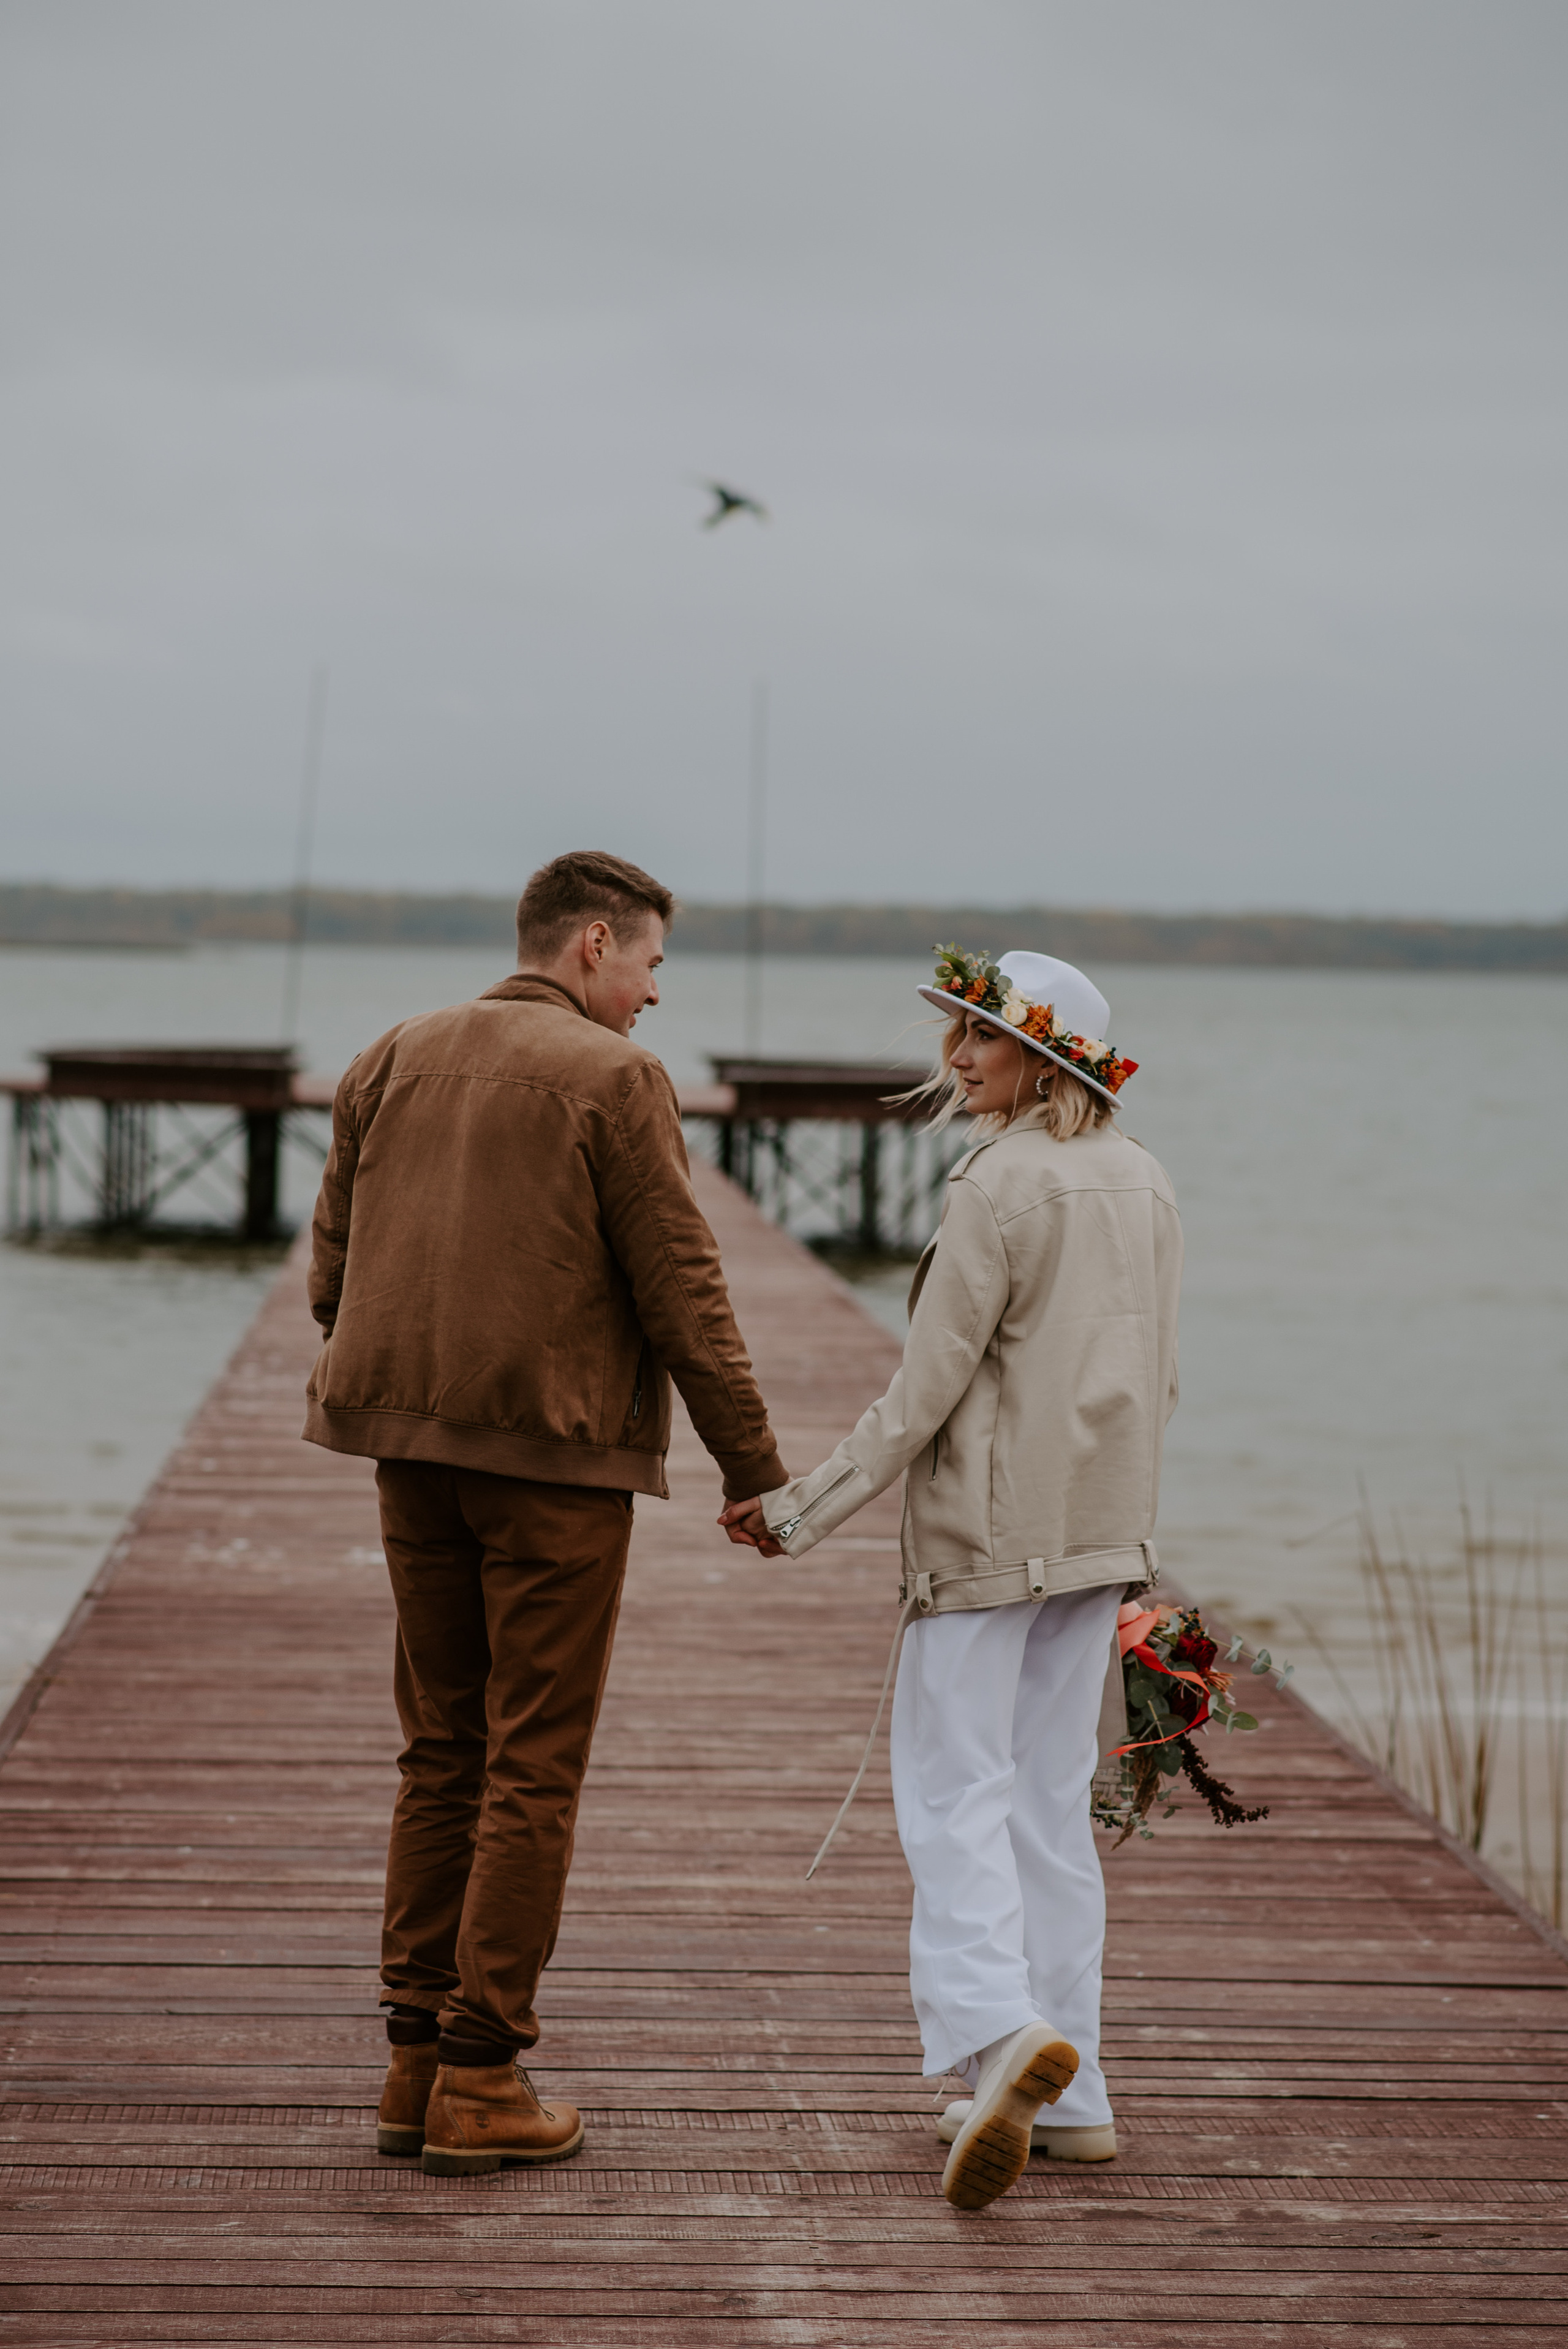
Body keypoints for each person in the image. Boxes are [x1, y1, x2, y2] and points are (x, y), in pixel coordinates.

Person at [303, 850, 788, 2175]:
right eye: (650, 964)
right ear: (592, 944)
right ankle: (480, 2076)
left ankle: (411, 2063)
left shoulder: (390, 1053)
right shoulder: (617, 1079)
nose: (653, 995)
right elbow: (683, 1287)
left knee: (440, 1750)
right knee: (531, 1764)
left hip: (408, 1450)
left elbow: (331, 1272)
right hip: (554, 1466)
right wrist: (752, 1465)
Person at [721, 946, 1180, 2212]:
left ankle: (1000, 2030)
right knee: (1048, 1805)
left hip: (986, 1540)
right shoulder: (1145, 1177)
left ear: (1043, 1058)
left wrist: (799, 1509)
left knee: (951, 1794)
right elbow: (1158, 1378)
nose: (958, 1058)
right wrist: (1130, 1535)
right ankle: (1072, 2097)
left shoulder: (996, 1182)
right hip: (1099, 1537)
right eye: (957, 1034)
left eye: (983, 1036)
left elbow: (923, 1390)